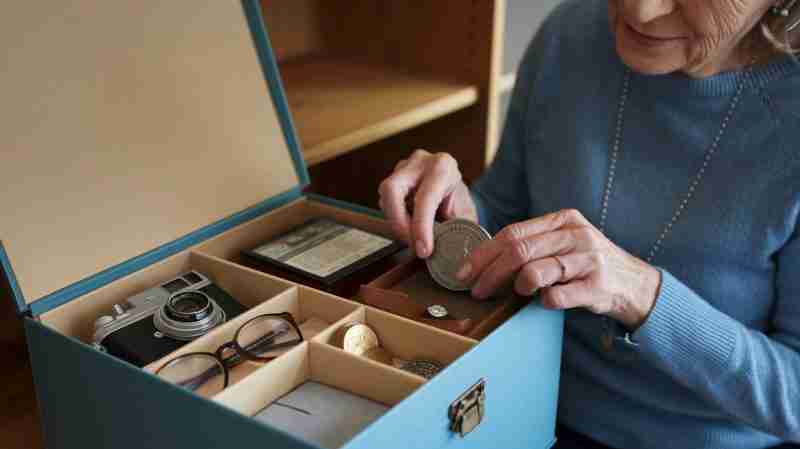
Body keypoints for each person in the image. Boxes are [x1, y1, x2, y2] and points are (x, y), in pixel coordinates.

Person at [377, 1, 800, 448]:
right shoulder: (570, 32)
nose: (639, 10)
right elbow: (506, 210)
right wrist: (454, 211)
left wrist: (641, 293)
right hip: (521, 396)